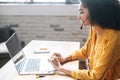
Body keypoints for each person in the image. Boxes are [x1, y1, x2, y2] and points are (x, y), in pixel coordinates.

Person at [48, 0, 120, 80]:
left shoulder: (113, 38)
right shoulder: (95, 28)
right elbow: (86, 51)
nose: (78, 17)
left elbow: (95, 76)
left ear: (95, 12)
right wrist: (65, 58)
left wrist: (60, 68)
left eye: (82, 12)